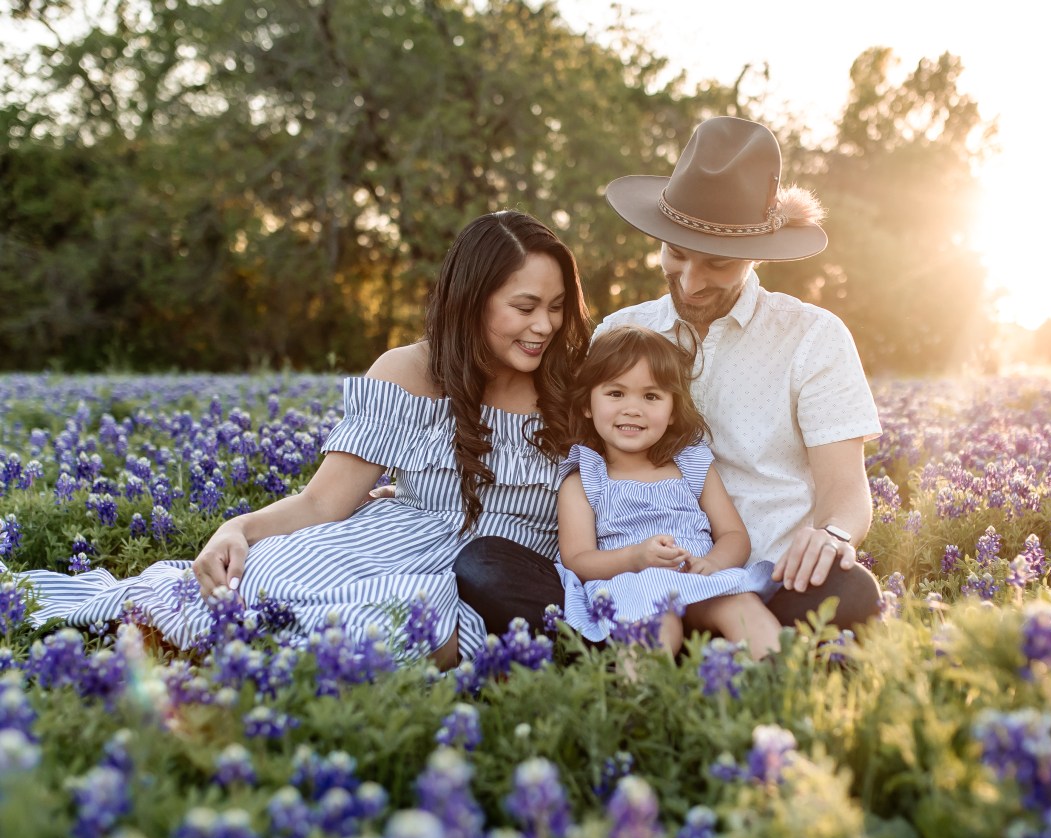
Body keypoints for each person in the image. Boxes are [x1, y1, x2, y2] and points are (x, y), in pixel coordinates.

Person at [19, 211, 590, 667]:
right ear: (473, 299)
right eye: (525, 307)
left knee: (385, 627)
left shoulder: (578, 386)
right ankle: (207, 645)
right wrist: (238, 527)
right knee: (259, 576)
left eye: (557, 308)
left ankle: (233, 657)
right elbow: (324, 501)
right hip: (385, 545)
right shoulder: (411, 370)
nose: (544, 326)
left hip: (493, 576)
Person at [456, 116, 883, 635]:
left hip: (760, 585)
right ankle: (636, 642)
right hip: (627, 578)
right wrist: (426, 476)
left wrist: (835, 534)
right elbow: (553, 426)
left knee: (853, 588)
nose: (691, 281)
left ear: (755, 255)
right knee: (484, 565)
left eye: (718, 264)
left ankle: (648, 658)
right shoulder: (621, 329)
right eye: (676, 254)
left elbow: (846, 490)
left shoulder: (813, 335)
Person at [557, 325, 781, 660]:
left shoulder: (691, 464)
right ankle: (647, 702)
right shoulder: (584, 480)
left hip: (700, 580)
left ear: (673, 410)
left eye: (651, 396)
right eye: (616, 393)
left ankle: (783, 684)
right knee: (656, 628)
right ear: (587, 404)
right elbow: (578, 560)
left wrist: (713, 563)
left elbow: (734, 534)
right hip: (634, 587)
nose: (633, 409)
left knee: (743, 606)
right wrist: (634, 558)